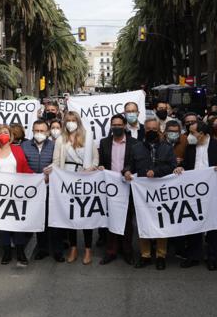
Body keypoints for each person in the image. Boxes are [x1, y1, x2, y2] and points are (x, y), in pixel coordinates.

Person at [53, 111, 99, 264]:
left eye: (73, 120)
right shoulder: (60, 139)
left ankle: (87, 249)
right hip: (67, 181)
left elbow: (95, 158)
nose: (70, 123)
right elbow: (56, 161)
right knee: (71, 215)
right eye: (68, 120)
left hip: (85, 180)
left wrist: (91, 169)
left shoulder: (87, 138)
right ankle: (73, 248)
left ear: (78, 122)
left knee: (86, 215)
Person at [0, 124, 35, 266]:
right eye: (1, 133)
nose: (3, 135)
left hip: (17, 193)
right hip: (0, 195)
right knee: (3, 225)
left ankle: (20, 252)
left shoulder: (18, 150)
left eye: (6, 132)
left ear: (11, 135)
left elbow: (25, 168)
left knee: (18, 224)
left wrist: (38, 178)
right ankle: (6, 252)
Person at [181, 121, 217, 269]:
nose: (190, 136)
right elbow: (186, 165)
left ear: (203, 133)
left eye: (193, 133)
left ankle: (212, 257)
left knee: (212, 225)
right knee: (193, 223)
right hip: (193, 193)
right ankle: (194, 255)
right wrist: (180, 169)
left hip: (212, 192)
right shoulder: (190, 148)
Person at [136, 118, 177, 269]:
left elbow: (172, 166)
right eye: (148, 129)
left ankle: (161, 255)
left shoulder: (167, 148)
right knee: (143, 222)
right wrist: (127, 171)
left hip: (161, 192)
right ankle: (145, 255)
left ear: (159, 130)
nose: (151, 131)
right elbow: (131, 165)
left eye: (154, 129)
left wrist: (157, 171)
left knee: (161, 222)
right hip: (143, 193)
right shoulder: (137, 147)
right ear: (144, 130)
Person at [99, 114, 139, 266]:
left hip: (127, 185)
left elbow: (135, 162)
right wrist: (101, 166)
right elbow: (102, 162)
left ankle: (127, 251)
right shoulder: (104, 143)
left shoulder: (134, 143)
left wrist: (127, 170)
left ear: (124, 126)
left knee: (128, 220)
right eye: (113, 125)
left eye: (119, 125)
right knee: (111, 219)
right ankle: (111, 251)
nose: (116, 127)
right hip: (110, 187)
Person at [22, 119, 58, 261]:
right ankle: (42, 249)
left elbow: (58, 163)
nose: (39, 133)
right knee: (39, 220)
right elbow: (22, 164)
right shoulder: (25, 146)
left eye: (42, 131)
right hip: (33, 190)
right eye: (36, 131)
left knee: (53, 220)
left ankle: (57, 250)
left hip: (50, 188)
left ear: (47, 132)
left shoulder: (54, 146)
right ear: (32, 131)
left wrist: (52, 171)